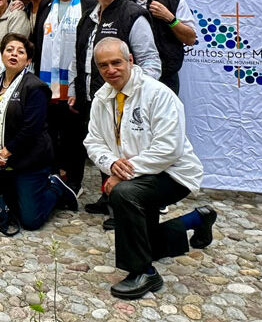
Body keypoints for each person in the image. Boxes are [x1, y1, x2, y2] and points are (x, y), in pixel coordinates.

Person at [84, 38, 214, 300]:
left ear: (130, 60)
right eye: (103, 65)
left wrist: (122, 173)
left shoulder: (158, 94)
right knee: (148, 244)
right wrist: (111, 164)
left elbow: (169, 148)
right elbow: (93, 141)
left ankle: (144, 273)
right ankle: (197, 219)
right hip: (136, 173)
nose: (110, 70)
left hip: (172, 173)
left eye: (116, 62)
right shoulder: (102, 98)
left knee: (124, 194)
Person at [70, 0, 161, 215]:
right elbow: (77, 57)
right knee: (103, 144)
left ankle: (126, 205)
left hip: (124, 97)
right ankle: (108, 197)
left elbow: (150, 60)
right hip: (94, 96)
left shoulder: (132, 14)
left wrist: (140, 92)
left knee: (124, 148)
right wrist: (75, 90)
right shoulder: (88, 18)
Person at [0, 33, 78, 230]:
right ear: (2, 54)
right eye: (9, 50)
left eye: (20, 52)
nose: (14, 54)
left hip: (29, 160)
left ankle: (55, 187)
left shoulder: (35, 87)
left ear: (28, 60)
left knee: (30, 221)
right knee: (9, 208)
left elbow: (31, 129)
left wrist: (5, 152)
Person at [31, 0, 97, 195]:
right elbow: (39, 44)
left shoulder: (90, 7)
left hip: (74, 83)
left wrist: (77, 87)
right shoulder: (46, 7)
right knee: (50, 133)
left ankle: (75, 180)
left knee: (74, 134)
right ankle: (54, 174)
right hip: (48, 83)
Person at [122, 0, 197, 94]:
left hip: (166, 78)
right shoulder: (120, 0)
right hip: (127, 78)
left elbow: (190, 38)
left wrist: (170, 19)